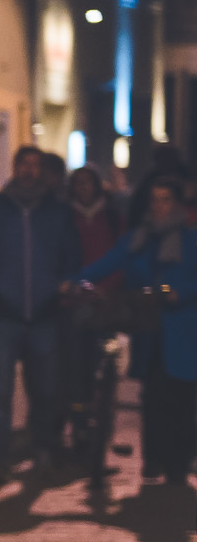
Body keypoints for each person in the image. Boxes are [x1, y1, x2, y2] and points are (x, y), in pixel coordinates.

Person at [0, 146, 84, 477]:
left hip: (45, 314)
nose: (30, 171)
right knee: (1, 392)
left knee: (45, 391)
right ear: (15, 167)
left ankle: (43, 448)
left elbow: (72, 255)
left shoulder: (57, 213)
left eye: (36, 165)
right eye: (24, 164)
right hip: (5, 314)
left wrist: (59, 286)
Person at [74, 176, 197, 485]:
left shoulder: (190, 241)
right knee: (153, 397)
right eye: (155, 199)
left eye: (166, 199)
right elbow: (107, 263)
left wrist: (177, 292)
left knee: (181, 399)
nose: (159, 206)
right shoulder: (137, 239)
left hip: (182, 330)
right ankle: (153, 460)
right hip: (149, 329)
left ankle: (178, 463)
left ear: (176, 204)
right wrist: (76, 280)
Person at [67, 167, 121, 267]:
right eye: (78, 181)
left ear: (96, 185)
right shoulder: (66, 218)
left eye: (87, 180)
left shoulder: (112, 218)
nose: (82, 185)